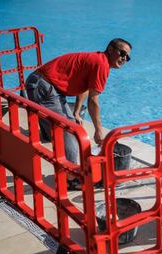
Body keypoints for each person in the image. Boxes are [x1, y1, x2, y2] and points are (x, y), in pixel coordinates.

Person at [25, 38, 132, 189]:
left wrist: (76, 111)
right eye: (122, 53)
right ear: (110, 49)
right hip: (44, 87)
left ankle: (63, 164)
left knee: (68, 126)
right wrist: (98, 129)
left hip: (45, 86)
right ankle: (69, 178)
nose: (124, 58)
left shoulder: (98, 61)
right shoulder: (101, 63)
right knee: (68, 132)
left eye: (127, 57)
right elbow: (93, 101)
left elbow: (86, 87)